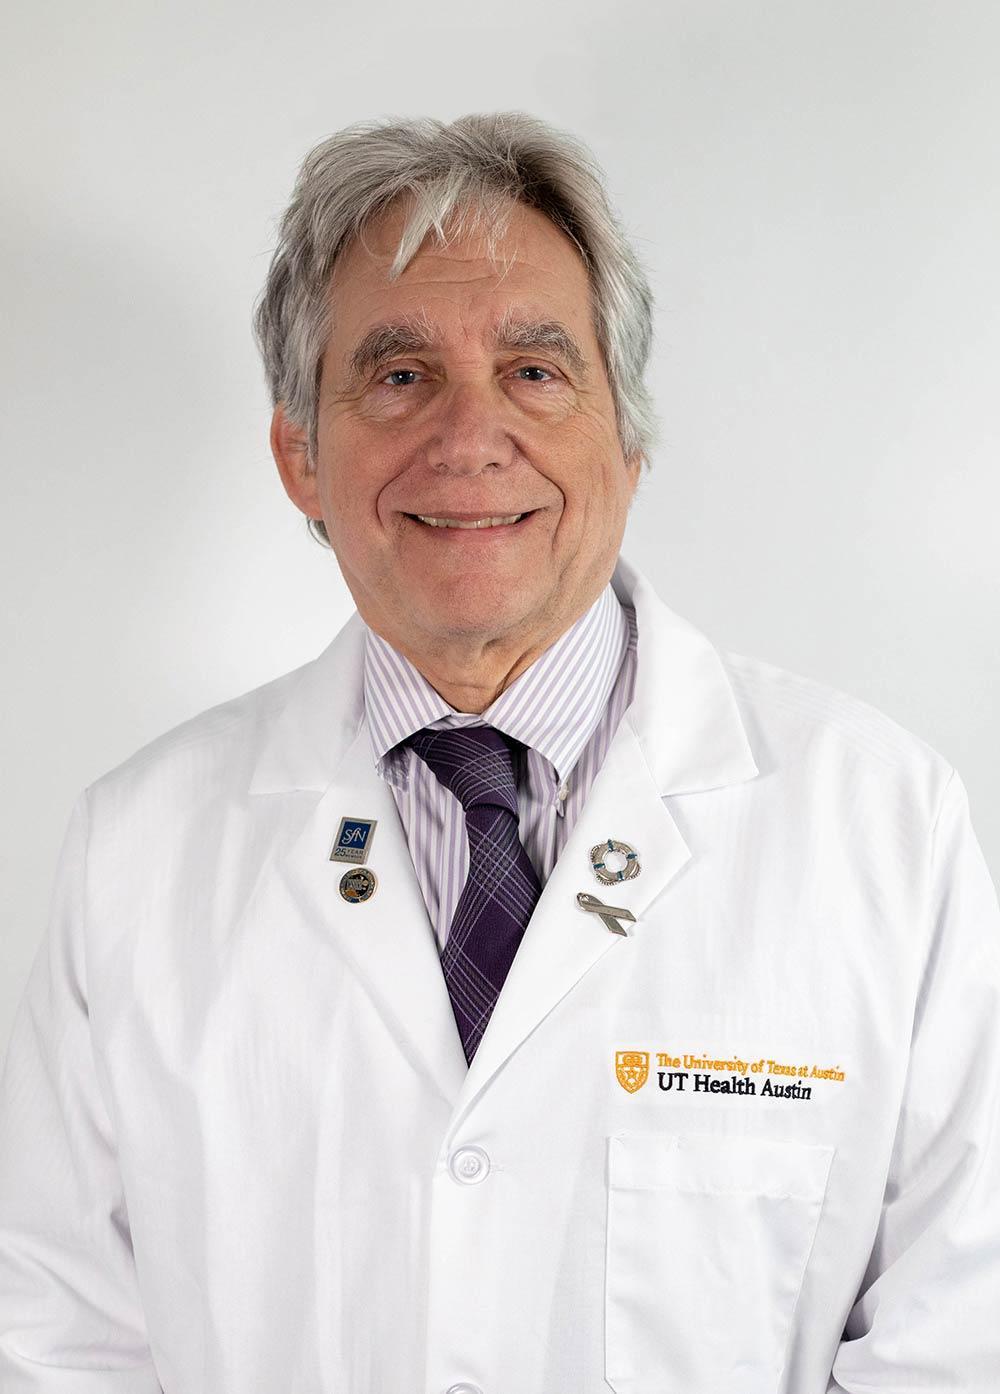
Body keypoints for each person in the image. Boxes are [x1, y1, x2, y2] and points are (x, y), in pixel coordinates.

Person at [0, 110, 998, 1394]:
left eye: (535, 370)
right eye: (399, 374)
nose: (468, 439)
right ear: (301, 455)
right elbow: (56, 1338)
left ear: (626, 442)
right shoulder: (137, 850)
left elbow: (965, 1327)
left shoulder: (882, 824)